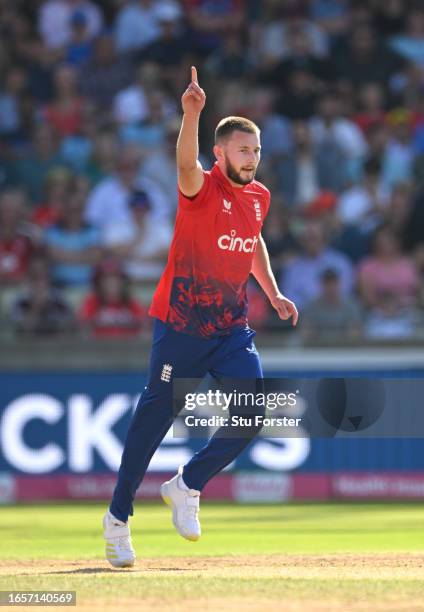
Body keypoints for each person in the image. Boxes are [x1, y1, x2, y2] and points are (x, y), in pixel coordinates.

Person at [102, 66, 298, 568]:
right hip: (181, 326)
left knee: (252, 411)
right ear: (221, 153)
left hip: (230, 327)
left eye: (255, 151)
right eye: (242, 150)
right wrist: (191, 114)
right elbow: (184, 162)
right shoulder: (201, 189)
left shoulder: (260, 197)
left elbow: (252, 244)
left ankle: (187, 484)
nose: (251, 159)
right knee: (151, 426)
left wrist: (273, 293)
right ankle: (118, 520)